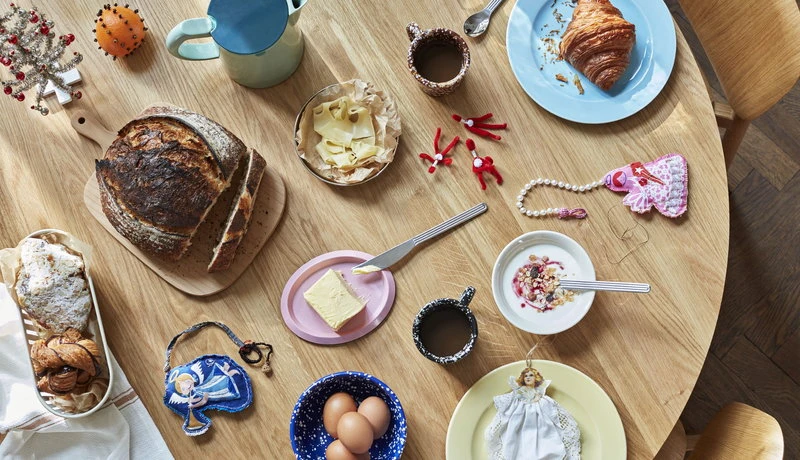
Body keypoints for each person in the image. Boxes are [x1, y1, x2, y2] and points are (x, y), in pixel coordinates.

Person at [485, 367, 581, 460]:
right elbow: (508, 404)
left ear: (536, 378)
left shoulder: (541, 395)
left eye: (531, 375)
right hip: (518, 420)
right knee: (515, 442)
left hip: (541, 422)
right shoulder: (518, 393)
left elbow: (553, 412)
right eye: (525, 376)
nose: (528, 377)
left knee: (548, 439)